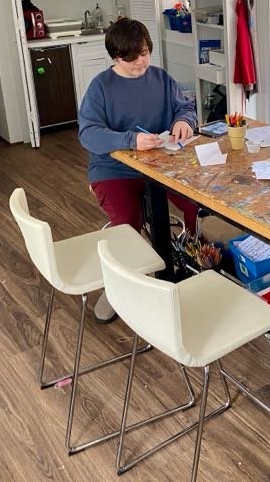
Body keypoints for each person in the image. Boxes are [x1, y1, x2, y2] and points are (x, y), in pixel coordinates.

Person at [79, 17, 198, 322]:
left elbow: (186, 107)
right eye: (130, 58)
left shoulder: (161, 78)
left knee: (197, 205)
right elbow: (88, 134)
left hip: (162, 165)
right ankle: (117, 286)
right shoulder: (100, 87)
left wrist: (184, 121)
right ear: (115, 57)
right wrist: (130, 140)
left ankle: (196, 262)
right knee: (127, 224)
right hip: (114, 170)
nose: (140, 62)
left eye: (144, 53)